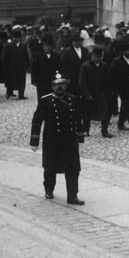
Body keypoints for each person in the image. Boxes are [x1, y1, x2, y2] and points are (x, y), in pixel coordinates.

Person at [30, 72, 85, 204]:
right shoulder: (45, 100)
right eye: (57, 85)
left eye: (62, 84)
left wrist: (80, 136)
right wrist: (34, 141)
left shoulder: (72, 100)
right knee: (50, 167)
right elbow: (37, 121)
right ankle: (49, 189)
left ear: (66, 85)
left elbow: (78, 119)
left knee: (73, 169)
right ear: (52, 86)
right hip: (52, 140)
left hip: (69, 140)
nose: (60, 87)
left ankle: (72, 195)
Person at [79, 45, 113, 138]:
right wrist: (86, 94)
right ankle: (86, 130)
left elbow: (108, 79)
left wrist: (109, 92)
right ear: (92, 56)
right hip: (90, 93)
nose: (97, 59)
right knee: (87, 113)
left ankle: (104, 131)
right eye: (95, 56)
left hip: (102, 93)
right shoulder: (85, 66)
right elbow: (82, 81)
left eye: (99, 57)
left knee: (105, 112)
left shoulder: (104, 65)